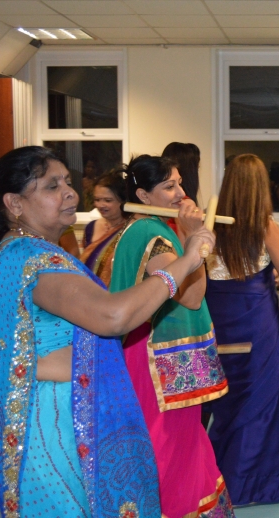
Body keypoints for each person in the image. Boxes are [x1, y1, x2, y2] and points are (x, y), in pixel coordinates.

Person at [0, 146, 217, 517]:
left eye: (67, 181)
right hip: (54, 425)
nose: (70, 193)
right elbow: (113, 317)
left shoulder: (18, 250)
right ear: (15, 203)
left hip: (47, 411)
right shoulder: (37, 261)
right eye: (51, 187)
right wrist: (190, 257)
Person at [111, 154, 234, 518]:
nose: (182, 193)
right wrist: (195, 238)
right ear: (143, 196)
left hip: (150, 354)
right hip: (157, 363)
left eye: (180, 183)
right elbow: (192, 298)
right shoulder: (153, 234)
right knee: (170, 449)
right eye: (169, 186)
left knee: (173, 445)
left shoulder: (141, 229)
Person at [203, 153, 279, 506]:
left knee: (227, 402)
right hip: (257, 326)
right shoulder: (266, 227)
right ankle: (261, 482)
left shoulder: (209, 227)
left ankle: (223, 479)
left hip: (220, 325)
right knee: (263, 402)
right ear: (261, 189)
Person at [80, 169, 131, 286]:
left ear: (123, 201)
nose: (100, 205)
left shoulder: (131, 229)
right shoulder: (90, 228)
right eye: (97, 200)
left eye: (108, 200)